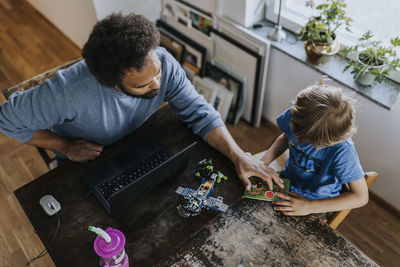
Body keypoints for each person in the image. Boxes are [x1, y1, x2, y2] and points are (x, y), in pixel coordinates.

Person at [0, 13, 282, 191]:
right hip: (88, 164)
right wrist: (64, 147)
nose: (158, 85)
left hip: (138, 145)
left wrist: (238, 156)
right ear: (112, 83)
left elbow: (199, 112)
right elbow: (7, 120)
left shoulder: (165, 64)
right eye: (143, 84)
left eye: (156, 72)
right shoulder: (66, 92)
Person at [261, 79, 369, 216]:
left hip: (317, 202)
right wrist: (263, 162)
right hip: (287, 181)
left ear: (326, 141)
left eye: (304, 139)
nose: (297, 140)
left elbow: (361, 197)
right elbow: (284, 137)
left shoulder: (343, 151)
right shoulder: (298, 115)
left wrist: (309, 207)